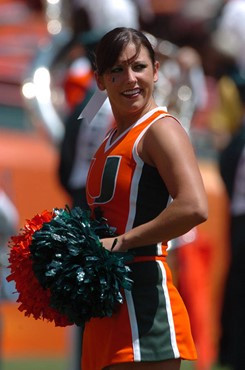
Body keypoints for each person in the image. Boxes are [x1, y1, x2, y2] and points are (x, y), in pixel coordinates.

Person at [83, 27, 208, 370]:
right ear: (100, 81)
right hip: (110, 299)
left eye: (139, 66)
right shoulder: (111, 137)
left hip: (144, 302)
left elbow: (194, 206)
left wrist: (121, 243)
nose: (130, 79)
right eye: (117, 71)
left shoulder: (160, 130)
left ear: (156, 70)